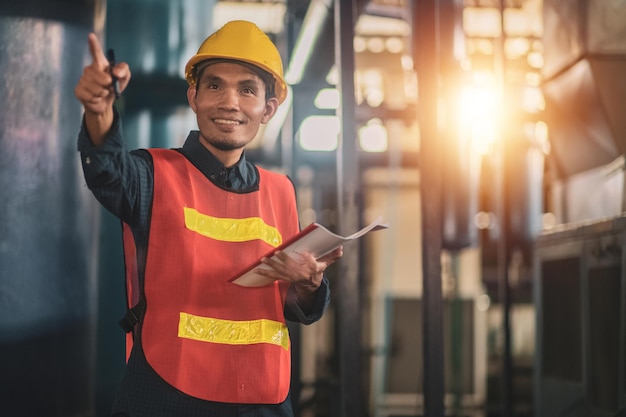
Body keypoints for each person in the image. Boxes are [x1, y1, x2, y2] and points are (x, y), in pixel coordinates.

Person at [74, 20, 343, 417]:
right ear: (194, 96)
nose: (229, 102)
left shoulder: (281, 191)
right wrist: (99, 112)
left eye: (247, 90)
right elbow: (108, 171)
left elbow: (287, 302)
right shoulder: (152, 174)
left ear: (268, 109)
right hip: (166, 396)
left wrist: (310, 283)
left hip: (263, 399)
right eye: (215, 85)